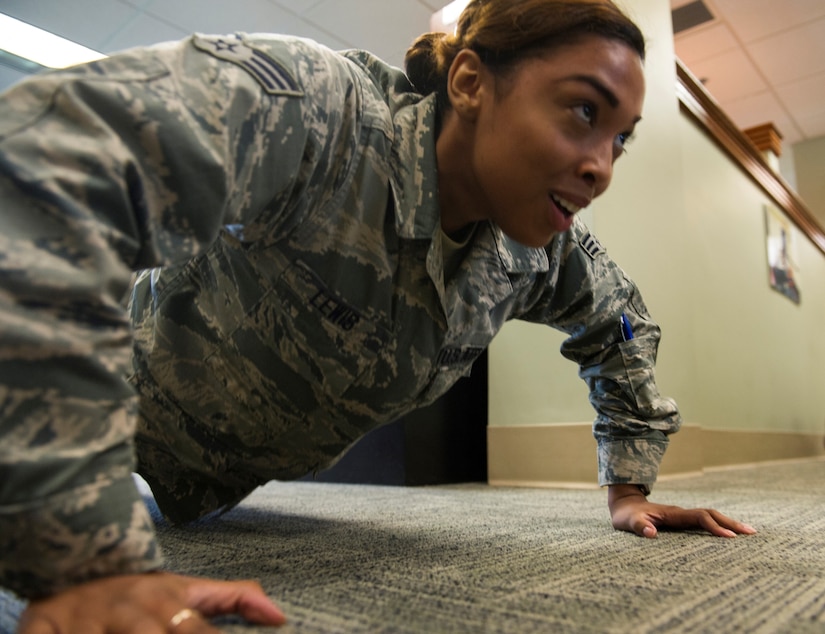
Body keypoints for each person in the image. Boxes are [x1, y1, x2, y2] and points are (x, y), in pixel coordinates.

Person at [0, 0, 756, 630]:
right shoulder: (320, 113)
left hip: (211, 485)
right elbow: (43, 168)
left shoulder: (543, 251)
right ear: (468, 81)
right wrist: (85, 564)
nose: (601, 166)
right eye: (581, 111)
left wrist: (627, 489)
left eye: (619, 139)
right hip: (77, 395)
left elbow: (623, 327)